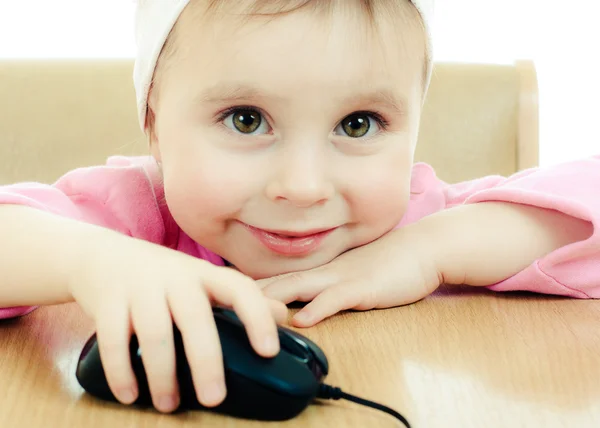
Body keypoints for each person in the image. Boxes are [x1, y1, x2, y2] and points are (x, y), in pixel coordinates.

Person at [1, 0, 598, 416]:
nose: (304, 186)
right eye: (246, 120)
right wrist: (88, 259)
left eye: (358, 124)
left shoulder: (419, 218)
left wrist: (433, 250)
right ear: (155, 125)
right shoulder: (136, 211)